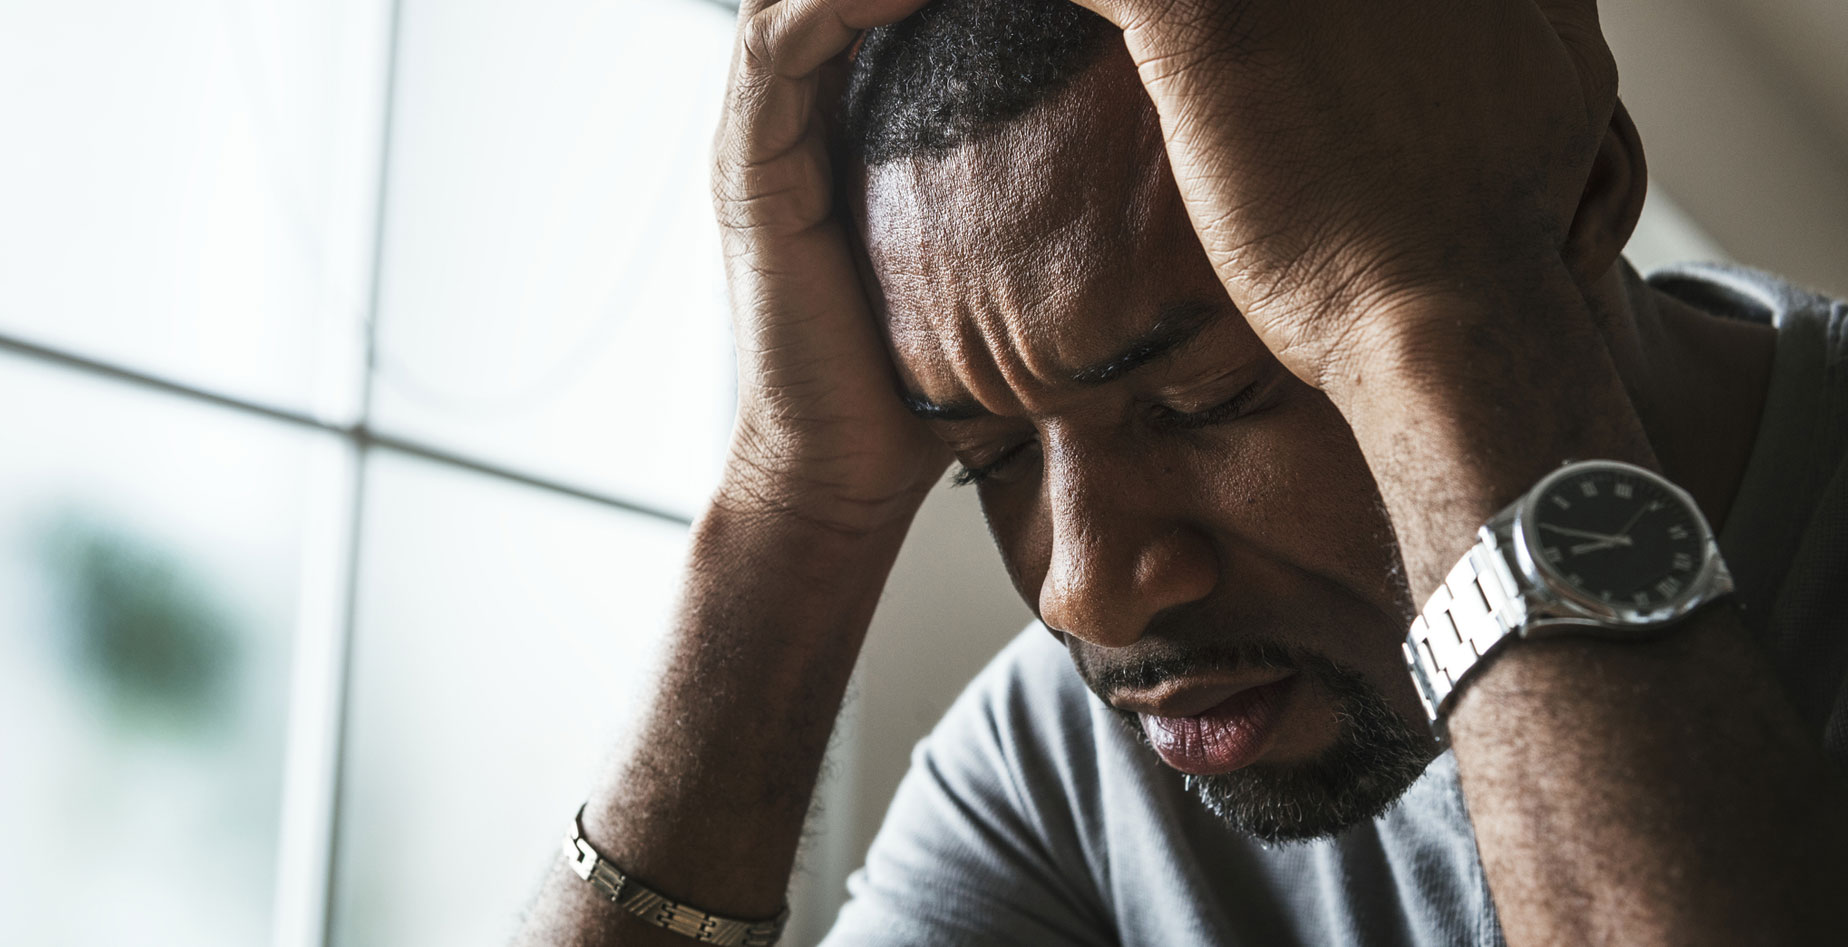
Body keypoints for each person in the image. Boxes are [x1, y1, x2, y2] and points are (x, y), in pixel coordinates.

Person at [517, 0, 1848, 943]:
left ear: (1582, 194)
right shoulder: (1060, 775)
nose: (1086, 597)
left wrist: (1442, 314)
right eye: (985, 461)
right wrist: (790, 511)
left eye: (1215, 397)